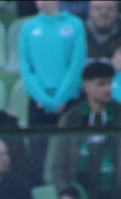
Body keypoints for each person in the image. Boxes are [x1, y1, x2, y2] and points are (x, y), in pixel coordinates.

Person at [49, 61, 121, 199]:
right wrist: (68, 196)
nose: (108, 89)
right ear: (87, 88)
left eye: (109, 83)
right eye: (101, 84)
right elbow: (57, 164)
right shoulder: (71, 119)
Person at [19, 0, 87, 132]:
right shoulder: (28, 28)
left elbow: (76, 65)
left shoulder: (75, 25)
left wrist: (60, 98)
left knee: (69, 146)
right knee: (39, 148)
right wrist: (45, 100)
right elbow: (26, 68)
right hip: (38, 102)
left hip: (69, 100)